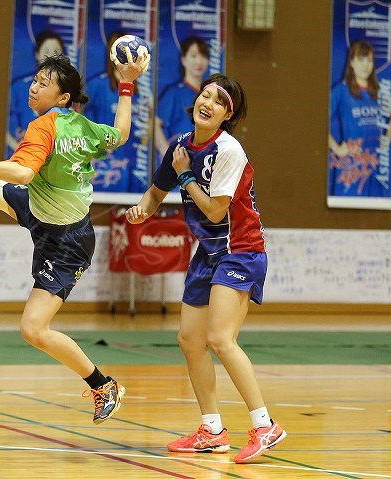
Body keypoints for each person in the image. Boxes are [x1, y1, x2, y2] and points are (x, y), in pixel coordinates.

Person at [0, 52, 147, 424]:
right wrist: (127, 85)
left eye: (44, 84)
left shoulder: (43, 127)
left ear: (63, 97)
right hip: (44, 211)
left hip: (65, 244)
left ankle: (103, 385)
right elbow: (122, 133)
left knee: (33, 329)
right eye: (35, 80)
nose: (34, 87)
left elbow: (22, 173)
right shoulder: (83, 126)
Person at [126, 73, 286, 464]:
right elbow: (156, 191)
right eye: (206, 94)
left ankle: (265, 425)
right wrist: (142, 210)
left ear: (227, 116)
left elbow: (215, 211)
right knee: (189, 340)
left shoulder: (229, 150)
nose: (208, 103)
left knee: (220, 338)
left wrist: (185, 175)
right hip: (208, 253)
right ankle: (212, 430)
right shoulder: (181, 145)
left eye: (219, 102)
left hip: (240, 250)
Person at [84, 31, 151, 193]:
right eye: (122, 50)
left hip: (135, 165)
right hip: (104, 166)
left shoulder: (143, 90)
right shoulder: (96, 85)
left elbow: (147, 127)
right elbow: (83, 126)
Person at [328, 39, 390, 197]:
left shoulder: (380, 92)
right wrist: (336, 148)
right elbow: (316, 119)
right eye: (361, 59)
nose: (365, 65)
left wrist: (387, 140)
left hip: (377, 168)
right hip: (352, 169)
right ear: (351, 62)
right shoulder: (341, 91)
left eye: (369, 60)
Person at [6, 29, 65, 157]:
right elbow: (1, 123)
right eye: (47, 51)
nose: (51, 57)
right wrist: (17, 148)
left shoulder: (67, 92)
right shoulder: (19, 87)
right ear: (37, 54)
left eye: (56, 52)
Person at [154, 35, 210, 159]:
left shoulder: (210, 93)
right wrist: (167, 154)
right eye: (194, 56)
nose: (199, 61)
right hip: (181, 160)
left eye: (203, 56)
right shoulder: (174, 93)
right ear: (183, 60)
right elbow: (155, 124)